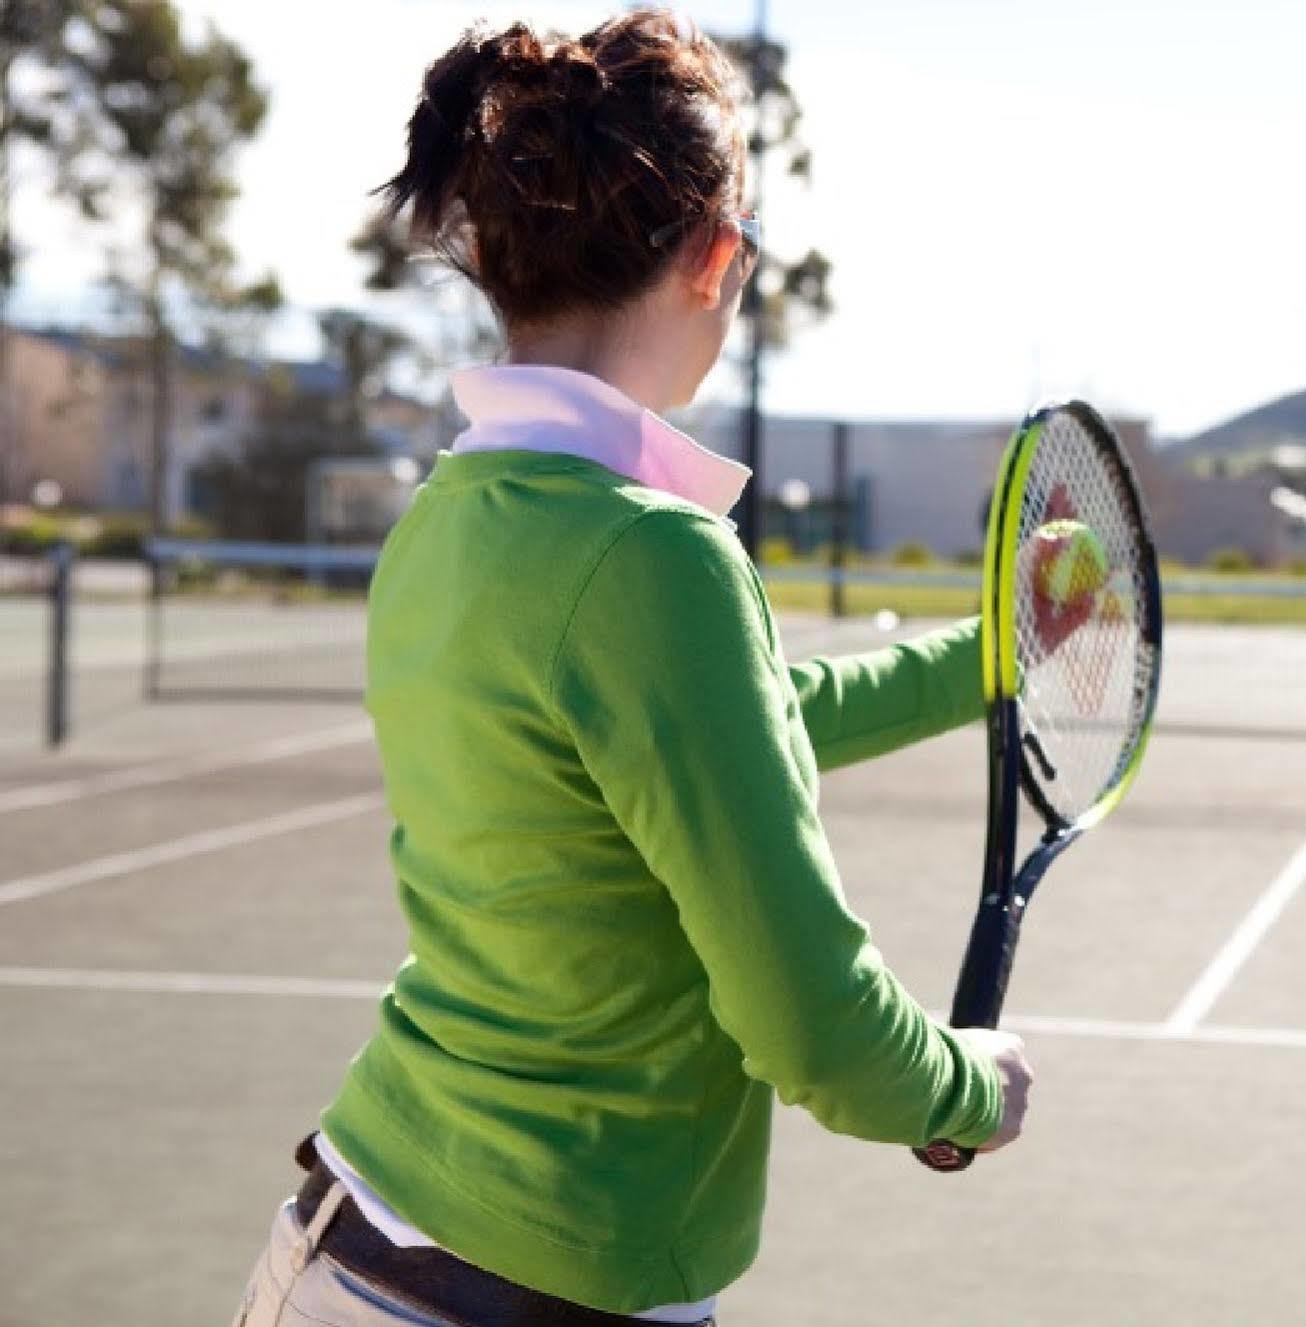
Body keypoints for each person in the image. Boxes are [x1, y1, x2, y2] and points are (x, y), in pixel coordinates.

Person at [233, 11, 1033, 1326]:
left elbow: (736, 725)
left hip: (344, 1247)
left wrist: (996, 657)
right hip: (526, 1292)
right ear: (719, 255)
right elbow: (816, 1027)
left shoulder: (448, 525)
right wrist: (958, 1087)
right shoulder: (651, 558)